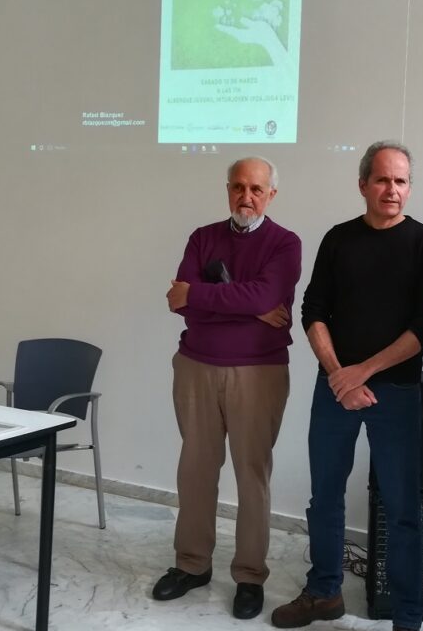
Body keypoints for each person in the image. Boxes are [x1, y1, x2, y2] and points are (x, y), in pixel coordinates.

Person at [271, 141, 423, 631]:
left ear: (409, 187)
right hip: (335, 390)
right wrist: (338, 376)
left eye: (401, 181)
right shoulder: (338, 239)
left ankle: (407, 618)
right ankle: (324, 591)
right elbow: (313, 311)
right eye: (382, 180)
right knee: (324, 498)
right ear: (363, 185)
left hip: (397, 393)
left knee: (403, 508)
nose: (392, 189)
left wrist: (361, 372)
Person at [153, 157, 301, 621]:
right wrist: (248, 306)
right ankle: (191, 565)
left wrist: (204, 296)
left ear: (271, 194)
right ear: (228, 189)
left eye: (256, 189)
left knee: (251, 474)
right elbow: (179, 302)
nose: (246, 196)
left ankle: (250, 575)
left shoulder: (285, 243)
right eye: (238, 187)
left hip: (258, 372)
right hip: (195, 366)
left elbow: (265, 296)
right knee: (195, 470)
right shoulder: (203, 237)